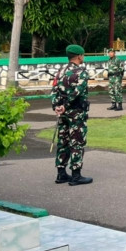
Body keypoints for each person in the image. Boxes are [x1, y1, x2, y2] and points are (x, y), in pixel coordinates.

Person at [51, 44, 92, 185]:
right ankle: (76, 175)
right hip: (76, 112)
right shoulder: (81, 72)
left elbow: (54, 90)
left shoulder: (60, 71)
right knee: (77, 142)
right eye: (83, 55)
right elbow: (77, 92)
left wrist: (57, 106)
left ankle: (61, 173)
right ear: (79, 56)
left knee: (63, 141)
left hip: (62, 113)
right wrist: (66, 105)